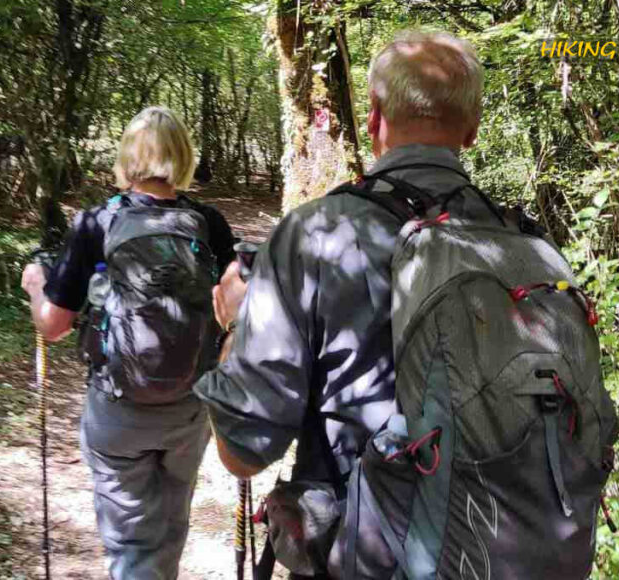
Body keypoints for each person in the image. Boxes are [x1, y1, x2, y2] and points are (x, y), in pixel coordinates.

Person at [194, 31, 485, 578]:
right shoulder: (529, 249)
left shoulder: (318, 233)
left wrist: (236, 325)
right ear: (471, 128)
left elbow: (244, 448)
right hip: (498, 548)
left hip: (363, 555)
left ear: (373, 119)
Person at [21, 106, 235, 580]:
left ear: (127, 157)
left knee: (132, 545)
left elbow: (53, 326)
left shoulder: (96, 223)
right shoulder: (208, 223)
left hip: (118, 409)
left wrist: (37, 284)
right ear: (183, 156)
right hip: (189, 407)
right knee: (171, 527)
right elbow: (239, 308)